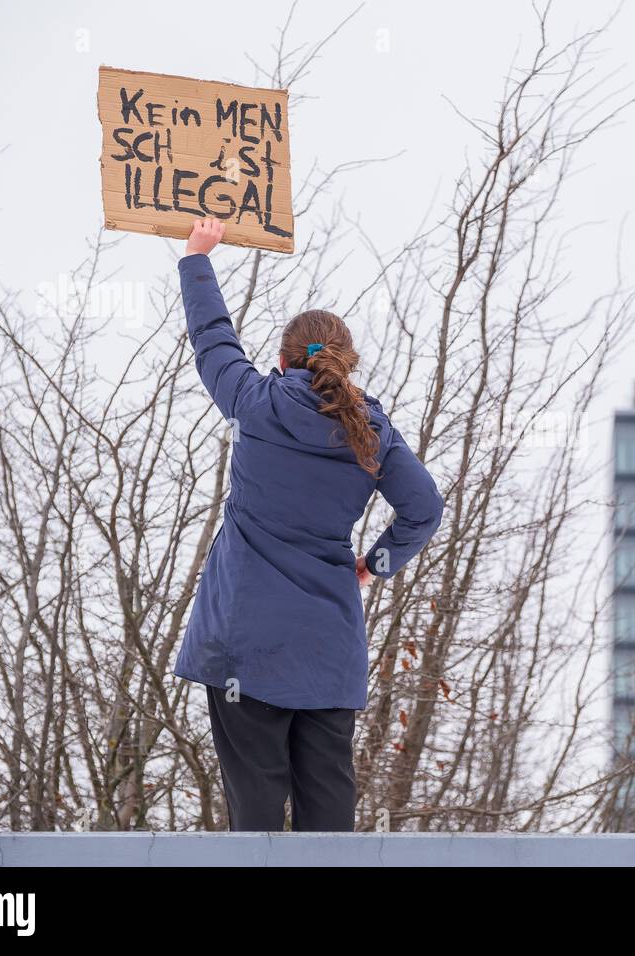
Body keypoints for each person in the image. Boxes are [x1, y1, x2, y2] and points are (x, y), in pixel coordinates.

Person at [174, 217, 444, 832]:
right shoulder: (371, 434)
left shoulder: (254, 401)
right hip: (327, 649)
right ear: (346, 366)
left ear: (281, 358)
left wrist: (197, 257)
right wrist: (373, 565)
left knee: (257, 814)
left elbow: (212, 338)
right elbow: (424, 509)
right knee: (329, 816)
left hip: (245, 642)